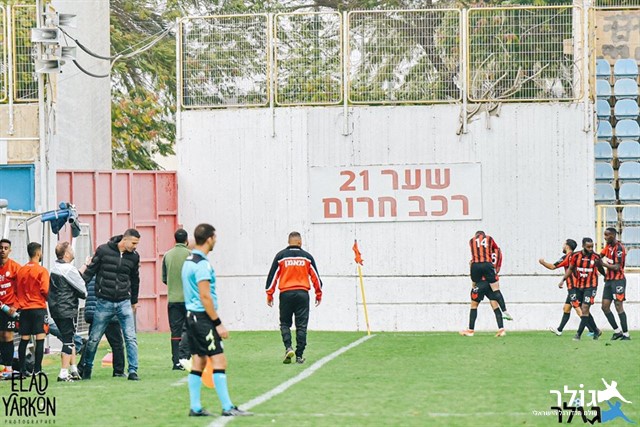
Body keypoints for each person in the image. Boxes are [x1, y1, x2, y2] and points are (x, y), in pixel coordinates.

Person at [182, 223, 252, 417]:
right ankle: (227, 407)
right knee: (219, 360)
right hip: (202, 318)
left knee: (199, 361)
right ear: (209, 239)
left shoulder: (189, 261)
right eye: (215, 237)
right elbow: (205, 296)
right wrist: (217, 323)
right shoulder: (202, 265)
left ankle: (195, 407)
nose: (216, 241)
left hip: (191, 316)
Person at [80, 229, 141, 380]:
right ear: (125, 240)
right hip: (104, 302)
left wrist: (134, 301)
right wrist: (78, 290)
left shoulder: (134, 257)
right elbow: (90, 271)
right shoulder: (103, 250)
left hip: (124, 301)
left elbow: (135, 279)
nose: (135, 247)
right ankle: (87, 368)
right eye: (134, 243)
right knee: (94, 339)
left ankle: (133, 371)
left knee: (131, 338)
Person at [265, 231, 323, 364]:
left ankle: (288, 348)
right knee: (301, 326)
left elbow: (272, 276)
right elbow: (315, 277)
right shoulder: (307, 257)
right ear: (300, 242)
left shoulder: (281, 256)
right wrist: (318, 293)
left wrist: (269, 294)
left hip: (286, 294)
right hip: (302, 294)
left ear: (288, 242)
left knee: (285, 323)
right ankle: (299, 356)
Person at [49, 242, 88, 382]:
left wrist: (85, 265)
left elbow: (72, 278)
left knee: (70, 339)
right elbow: (83, 291)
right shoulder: (69, 269)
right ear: (66, 254)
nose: (73, 251)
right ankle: (63, 373)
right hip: (68, 309)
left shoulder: (55, 268)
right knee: (68, 342)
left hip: (56, 309)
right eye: (71, 249)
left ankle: (73, 370)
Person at [539, 239, 591, 336]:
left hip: (573, 287)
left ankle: (592, 329)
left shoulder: (567, 257)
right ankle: (559, 330)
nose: (562, 246)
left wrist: (542, 262)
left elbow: (552, 266)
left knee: (577, 308)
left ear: (567, 246)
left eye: (564, 244)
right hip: (577, 286)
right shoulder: (577, 256)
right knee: (566, 308)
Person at [77, 278, 126, 378]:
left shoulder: (92, 275)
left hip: (93, 312)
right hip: (107, 312)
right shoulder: (111, 275)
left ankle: (81, 368)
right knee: (117, 344)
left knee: (91, 343)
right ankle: (118, 371)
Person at [15, 242, 49, 377]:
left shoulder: (21, 270)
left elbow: (17, 289)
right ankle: (38, 369)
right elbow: (45, 289)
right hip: (38, 308)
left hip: (24, 309)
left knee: (24, 339)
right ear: (38, 253)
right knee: (40, 338)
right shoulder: (41, 270)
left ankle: (22, 370)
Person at [559, 238, 604, 341]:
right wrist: (563, 280)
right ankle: (596, 330)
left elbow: (600, 268)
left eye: (592, 246)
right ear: (583, 246)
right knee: (582, 309)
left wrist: (605, 276)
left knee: (584, 308)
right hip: (579, 287)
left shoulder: (596, 257)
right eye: (588, 247)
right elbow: (570, 269)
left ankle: (578, 334)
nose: (591, 249)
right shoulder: (576, 256)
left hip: (591, 286)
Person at [162, 228, 191, 370]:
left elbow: (164, 278)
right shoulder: (191, 255)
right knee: (189, 329)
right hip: (189, 299)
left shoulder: (167, 255)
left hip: (173, 299)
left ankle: (176, 361)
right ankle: (184, 357)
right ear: (187, 240)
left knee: (175, 331)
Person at [468, 231, 510, 319]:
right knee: (496, 293)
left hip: (476, 268)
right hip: (488, 267)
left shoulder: (471, 241)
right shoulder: (490, 240)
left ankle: (470, 326)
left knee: (474, 302)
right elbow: (496, 249)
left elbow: (472, 261)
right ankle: (505, 311)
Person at [599, 228, 630, 341]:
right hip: (609, 281)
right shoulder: (608, 247)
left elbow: (617, 267)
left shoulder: (619, 248)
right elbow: (599, 256)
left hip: (618, 281)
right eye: (604, 235)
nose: (605, 237)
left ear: (613, 235)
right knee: (605, 307)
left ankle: (626, 334)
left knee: (618, 305)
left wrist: (603, 264)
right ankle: (617, 331)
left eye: (607, 235)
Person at [0, 238, 20, 379]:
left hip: (9, 309)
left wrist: (15, 306)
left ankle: (8, 368)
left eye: (6, 248)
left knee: (7, 336)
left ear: (10, 250)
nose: (3, 250)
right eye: (1, 248)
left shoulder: (15, 267)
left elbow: (21, 289)